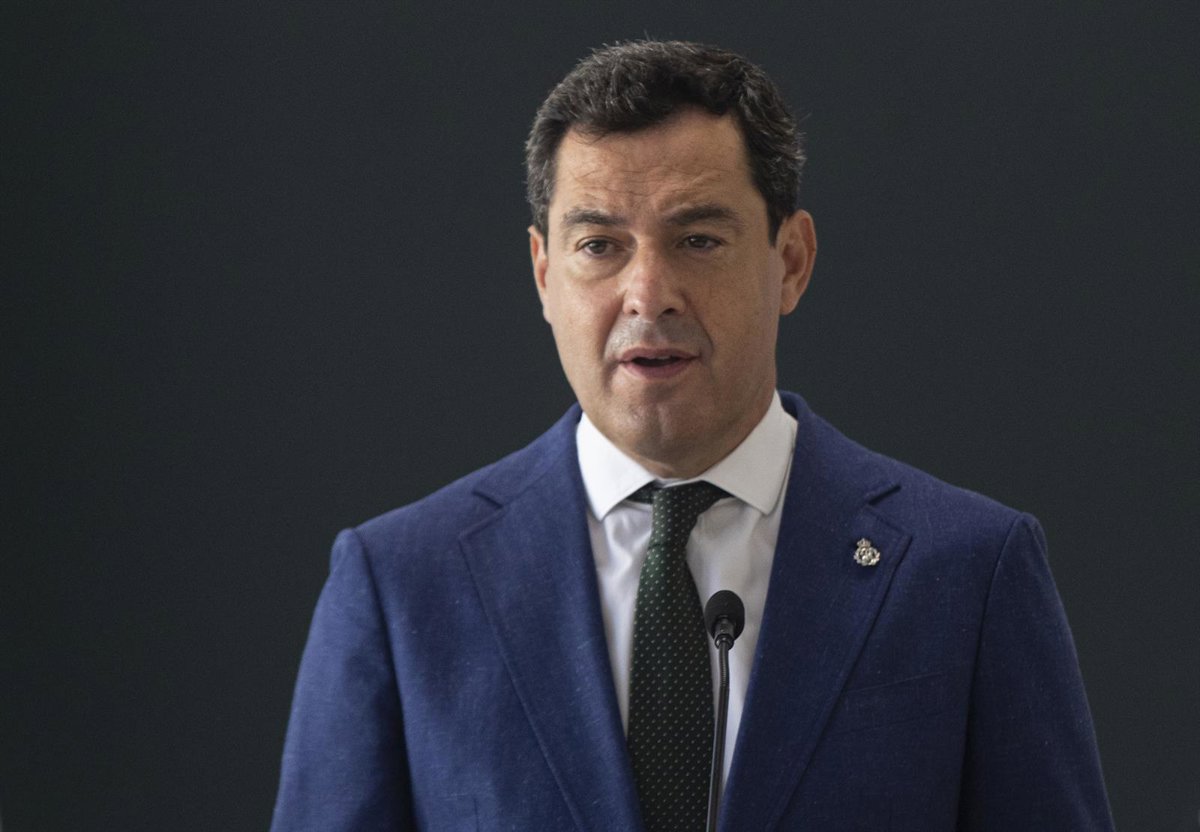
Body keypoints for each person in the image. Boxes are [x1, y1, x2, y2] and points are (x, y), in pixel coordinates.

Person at [270, 40, 1114, 830]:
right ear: (543, 274)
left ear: (791, 261)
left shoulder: (967, 569)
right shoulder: (401, 585)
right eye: (599, 245)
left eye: (698, 240)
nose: (649, 293)